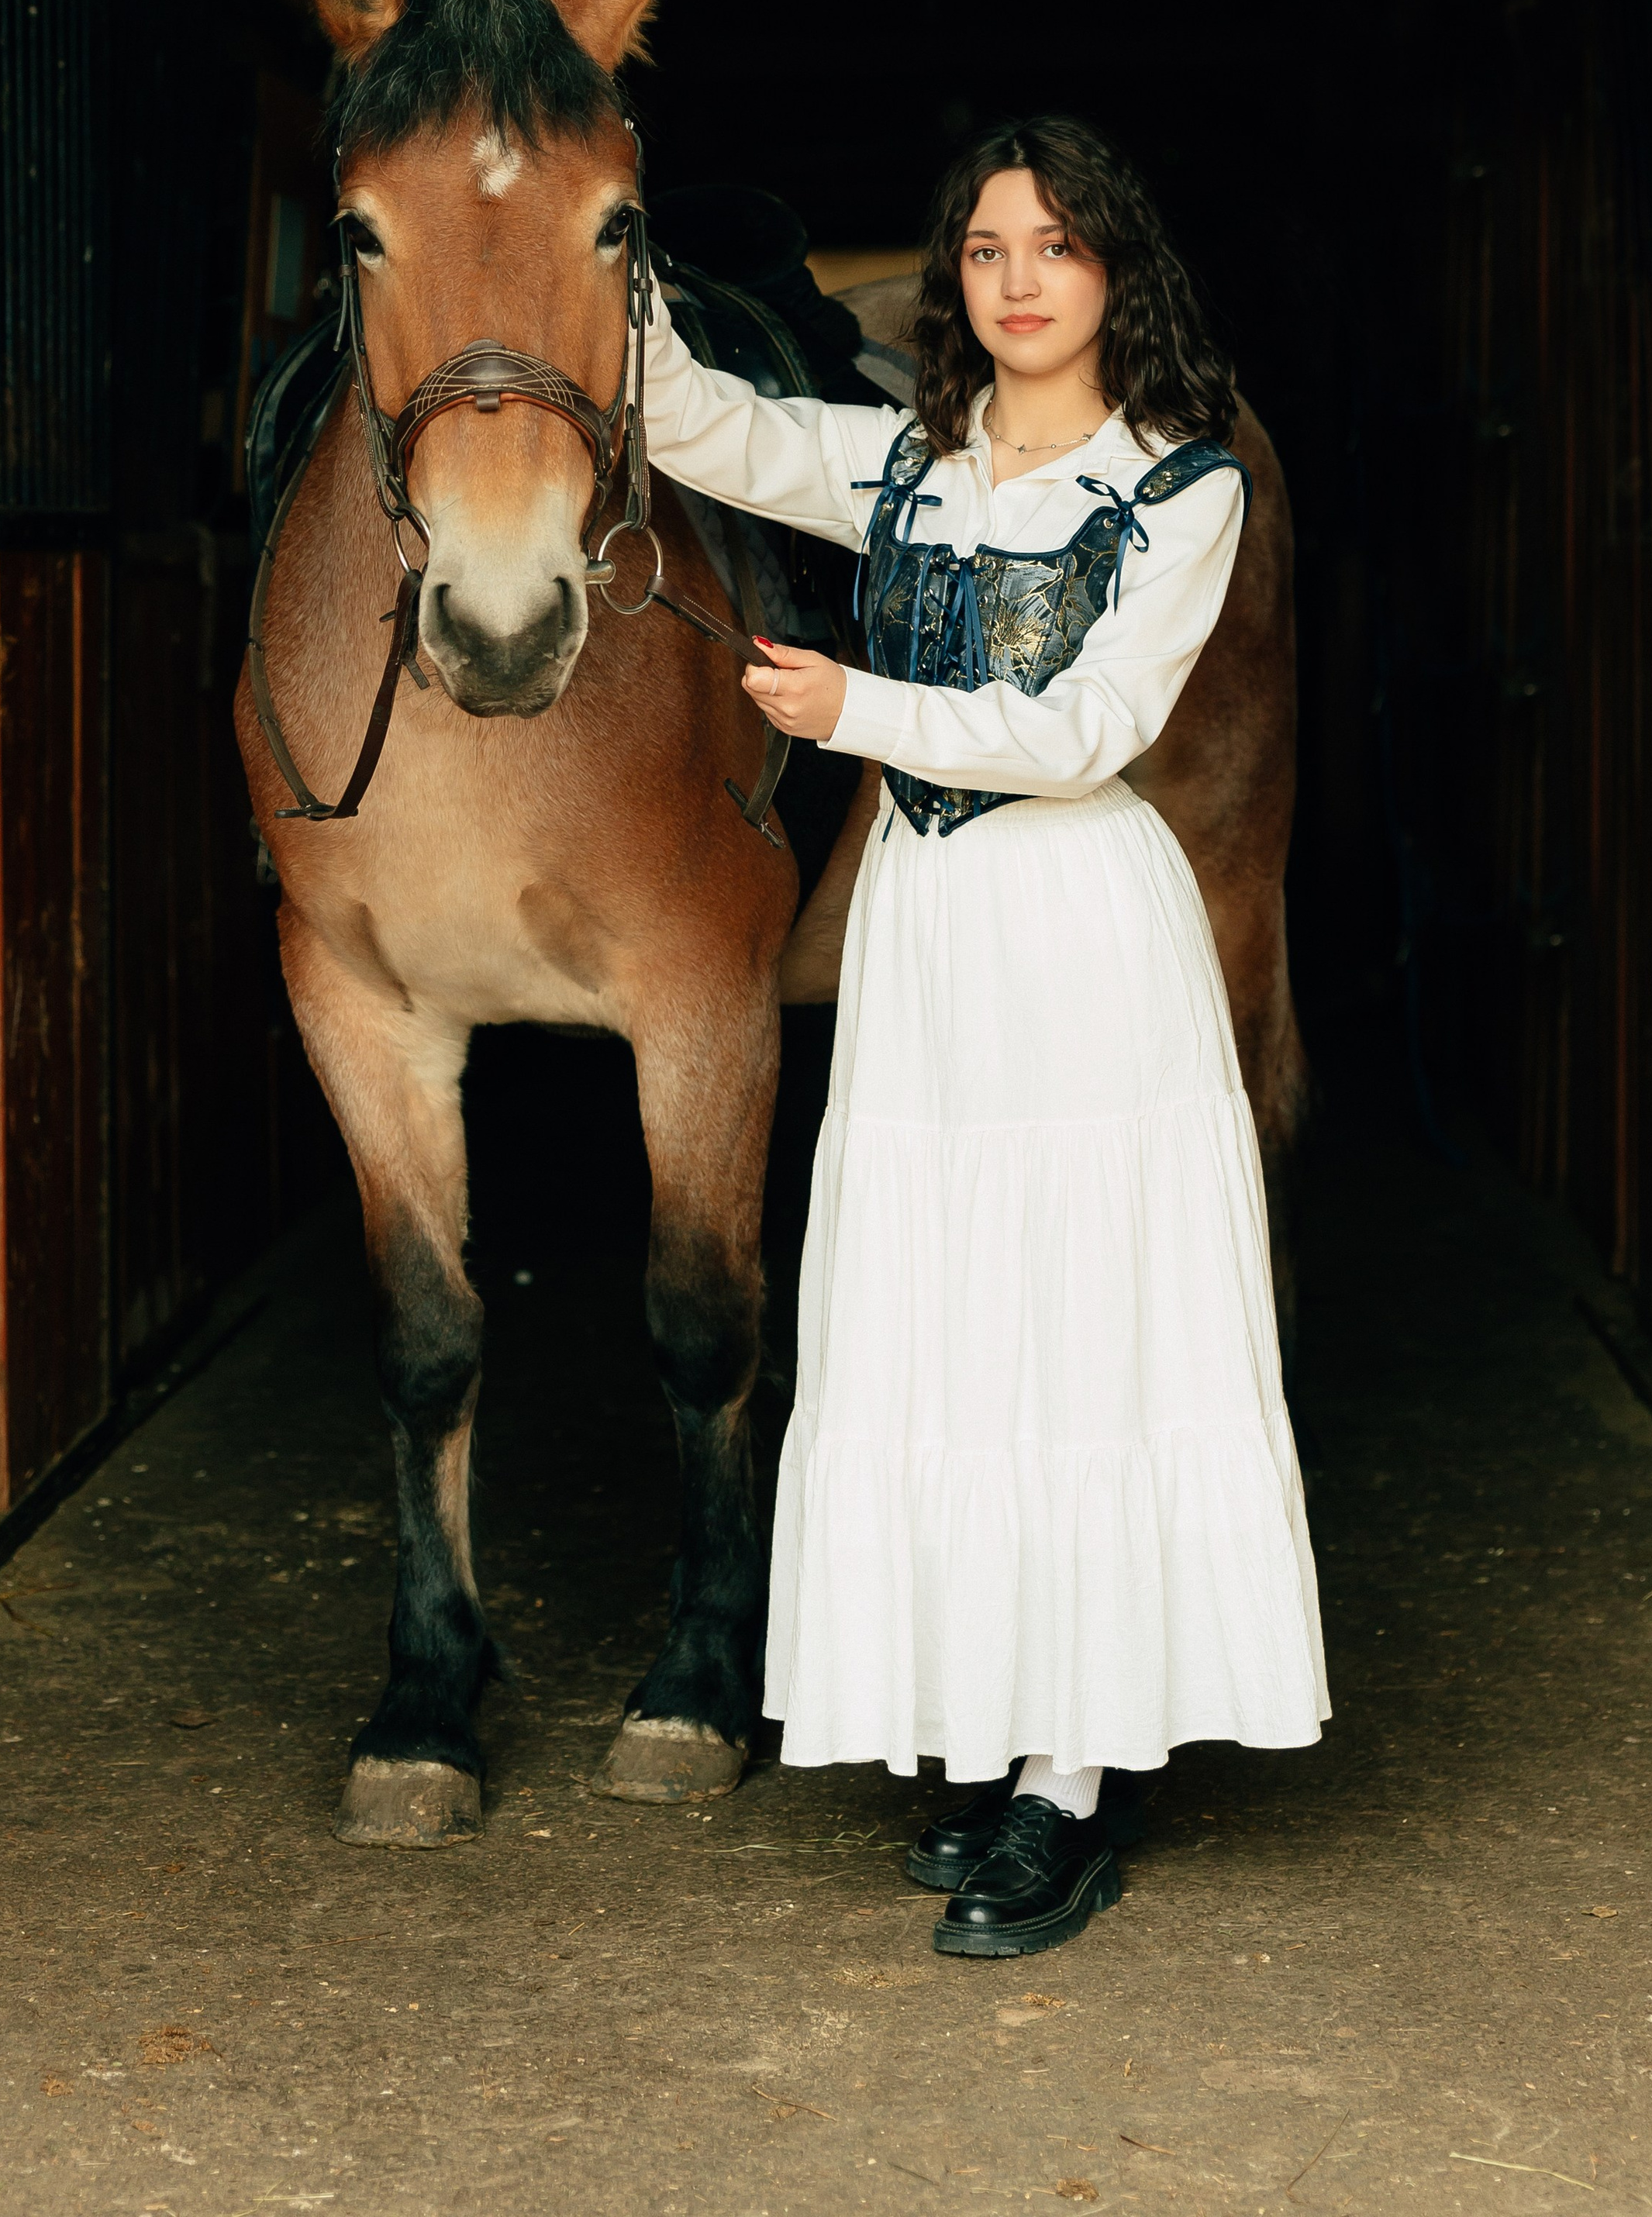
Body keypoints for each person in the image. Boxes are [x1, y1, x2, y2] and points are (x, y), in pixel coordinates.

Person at [640, 114, 1328, 1960]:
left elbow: (1088, 729)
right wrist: (582, 252)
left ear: (1116, 272)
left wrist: (857, 701)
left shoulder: (1177, 489)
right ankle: (1010, 1742)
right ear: (953, 283)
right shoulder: (904, 466)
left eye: (1054, 247)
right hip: (931, 950)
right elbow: (706, 427)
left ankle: (1069, 1786)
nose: (1017, 283)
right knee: (956, 1327)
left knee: (1078, 1331)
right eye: (983, 253)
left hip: (1075, 933)